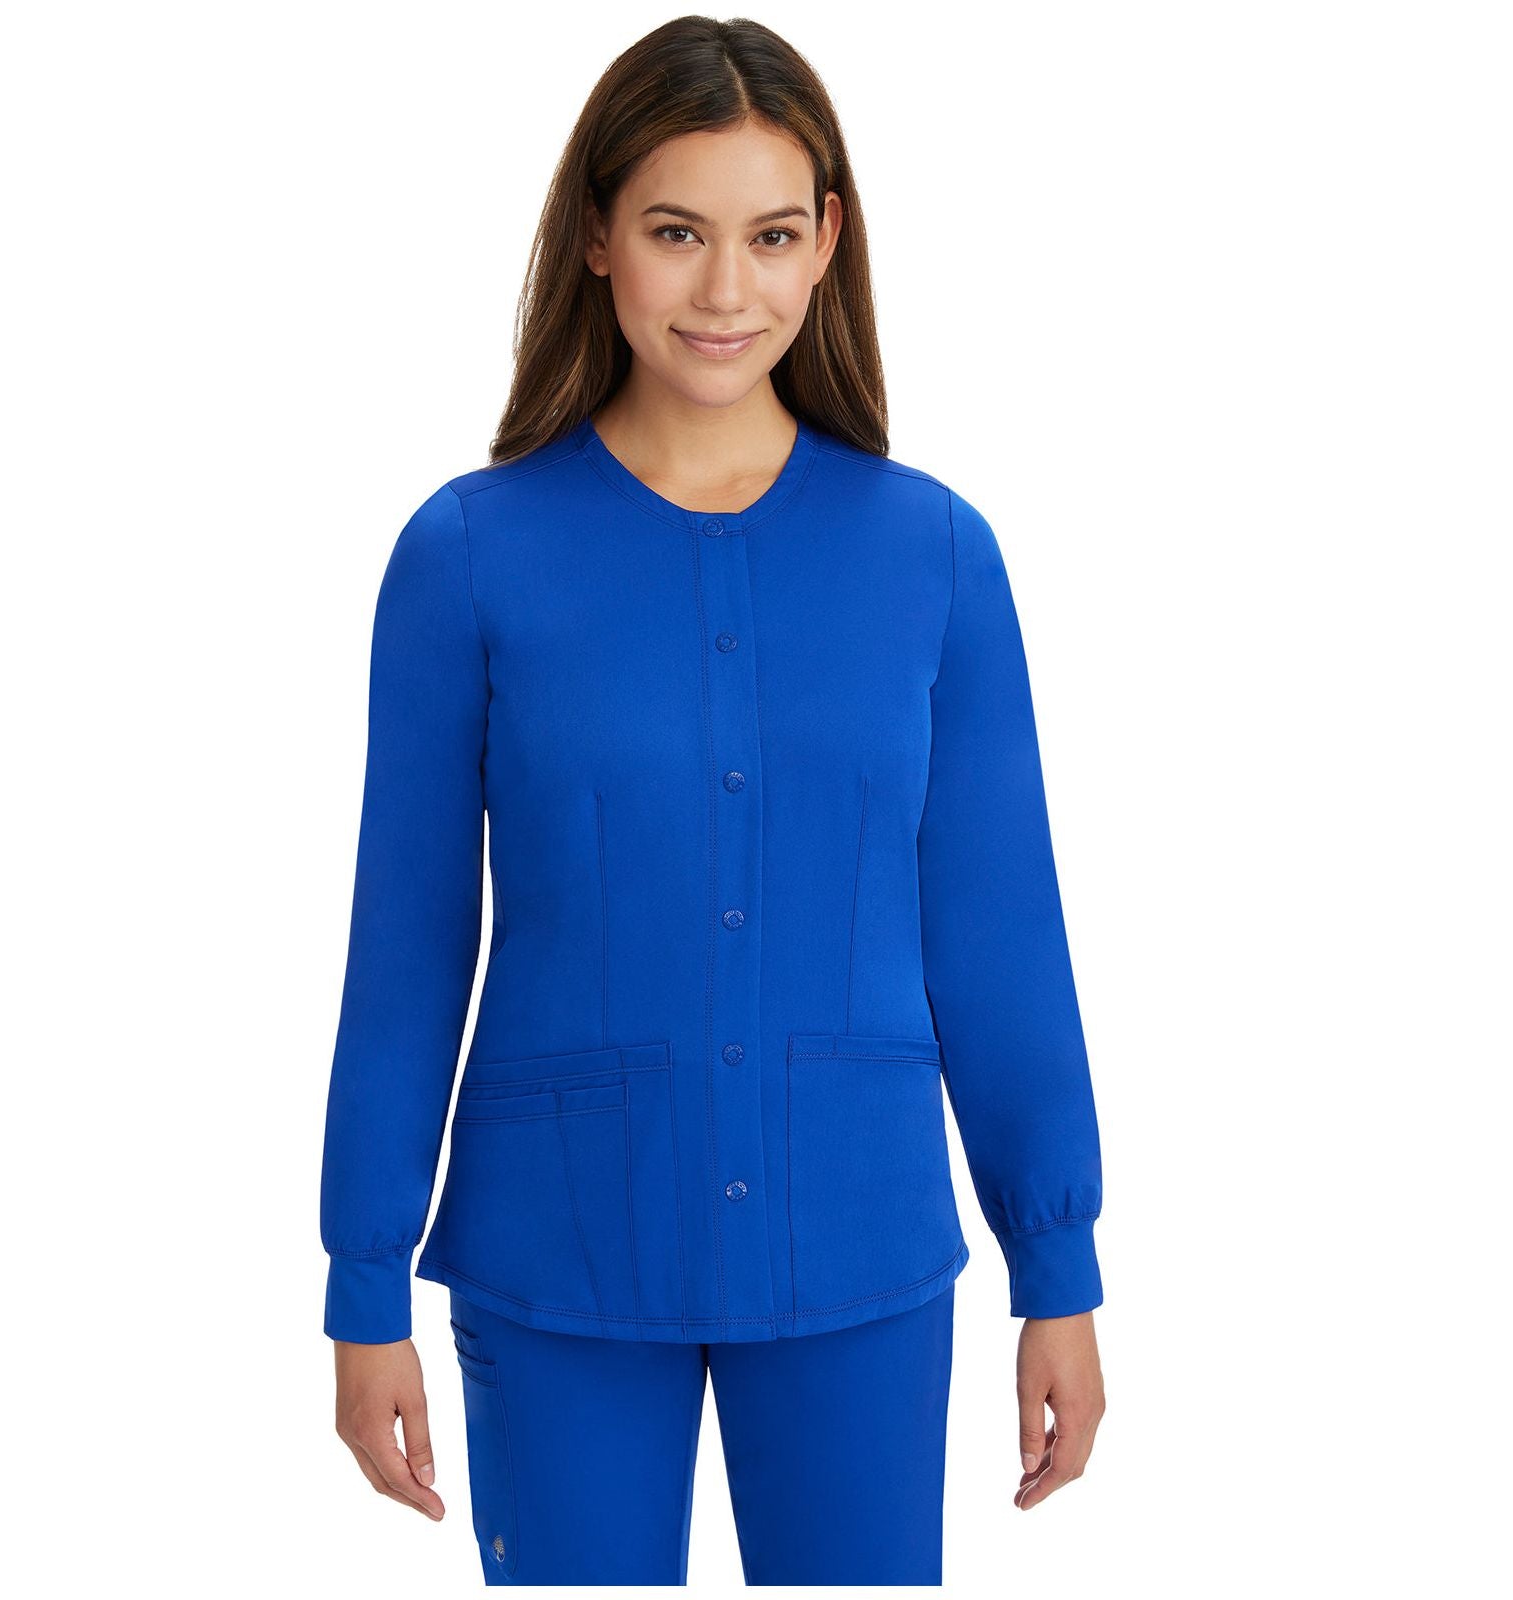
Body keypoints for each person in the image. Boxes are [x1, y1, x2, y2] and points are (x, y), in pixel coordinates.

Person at [319, 14, 1107, 1585]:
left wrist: (1058, 1264)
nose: (725, 288)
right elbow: (406, 949)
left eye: (770, 235)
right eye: (678, 231)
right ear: (597, 236)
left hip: (860, 1236)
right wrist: (362, 1283)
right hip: (557, 1251)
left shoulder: (936, 557)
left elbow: (997, 935)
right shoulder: (466, 558)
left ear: (829, 245)